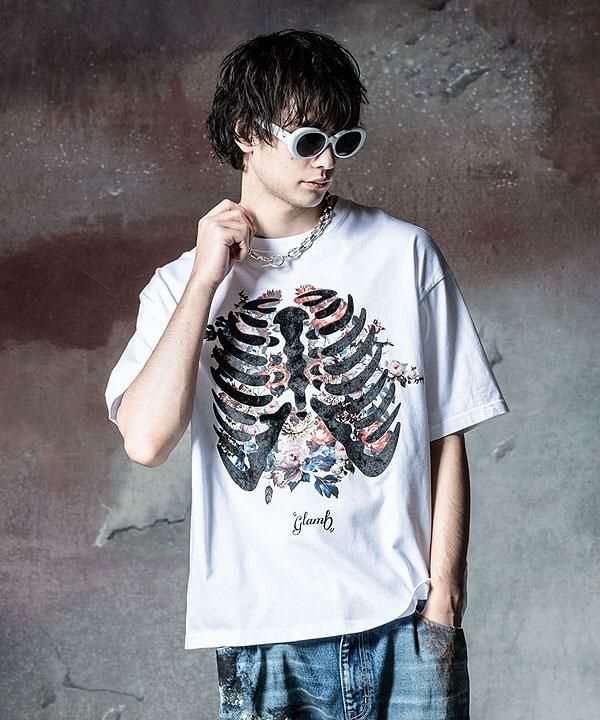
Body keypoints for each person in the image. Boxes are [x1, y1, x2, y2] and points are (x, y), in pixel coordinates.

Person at [105, 28, 509, 720]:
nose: (327, 162)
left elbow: (447, 432)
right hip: (262, 635)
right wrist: (205, 281)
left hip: (404, 623)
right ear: (246, 133)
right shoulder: (179, 285)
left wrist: (444, 596)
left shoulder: (403, 254)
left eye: (341, 140)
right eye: (307, 140)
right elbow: (144, 441)